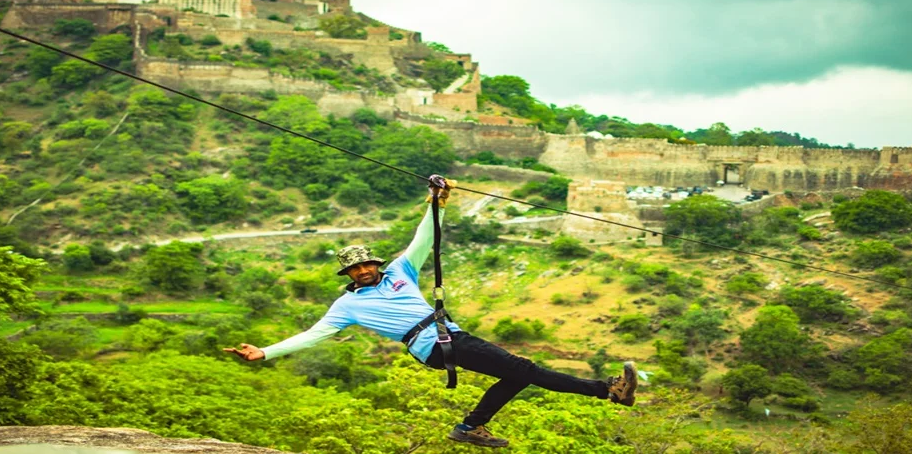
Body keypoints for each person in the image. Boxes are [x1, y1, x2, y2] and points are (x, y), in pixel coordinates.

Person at [225, 179, 638, 448]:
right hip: (437, 346)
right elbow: (313, 336)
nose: (365, 269)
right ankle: (607, 390)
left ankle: (470, 426)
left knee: (518, 373)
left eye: (368, 263)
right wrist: (266, 352)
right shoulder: (347, 305)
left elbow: (425, 239)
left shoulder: (399, 272)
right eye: (356, 268)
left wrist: (437, 201)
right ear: (348, 273)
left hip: (450, 337)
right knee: (522, 368)